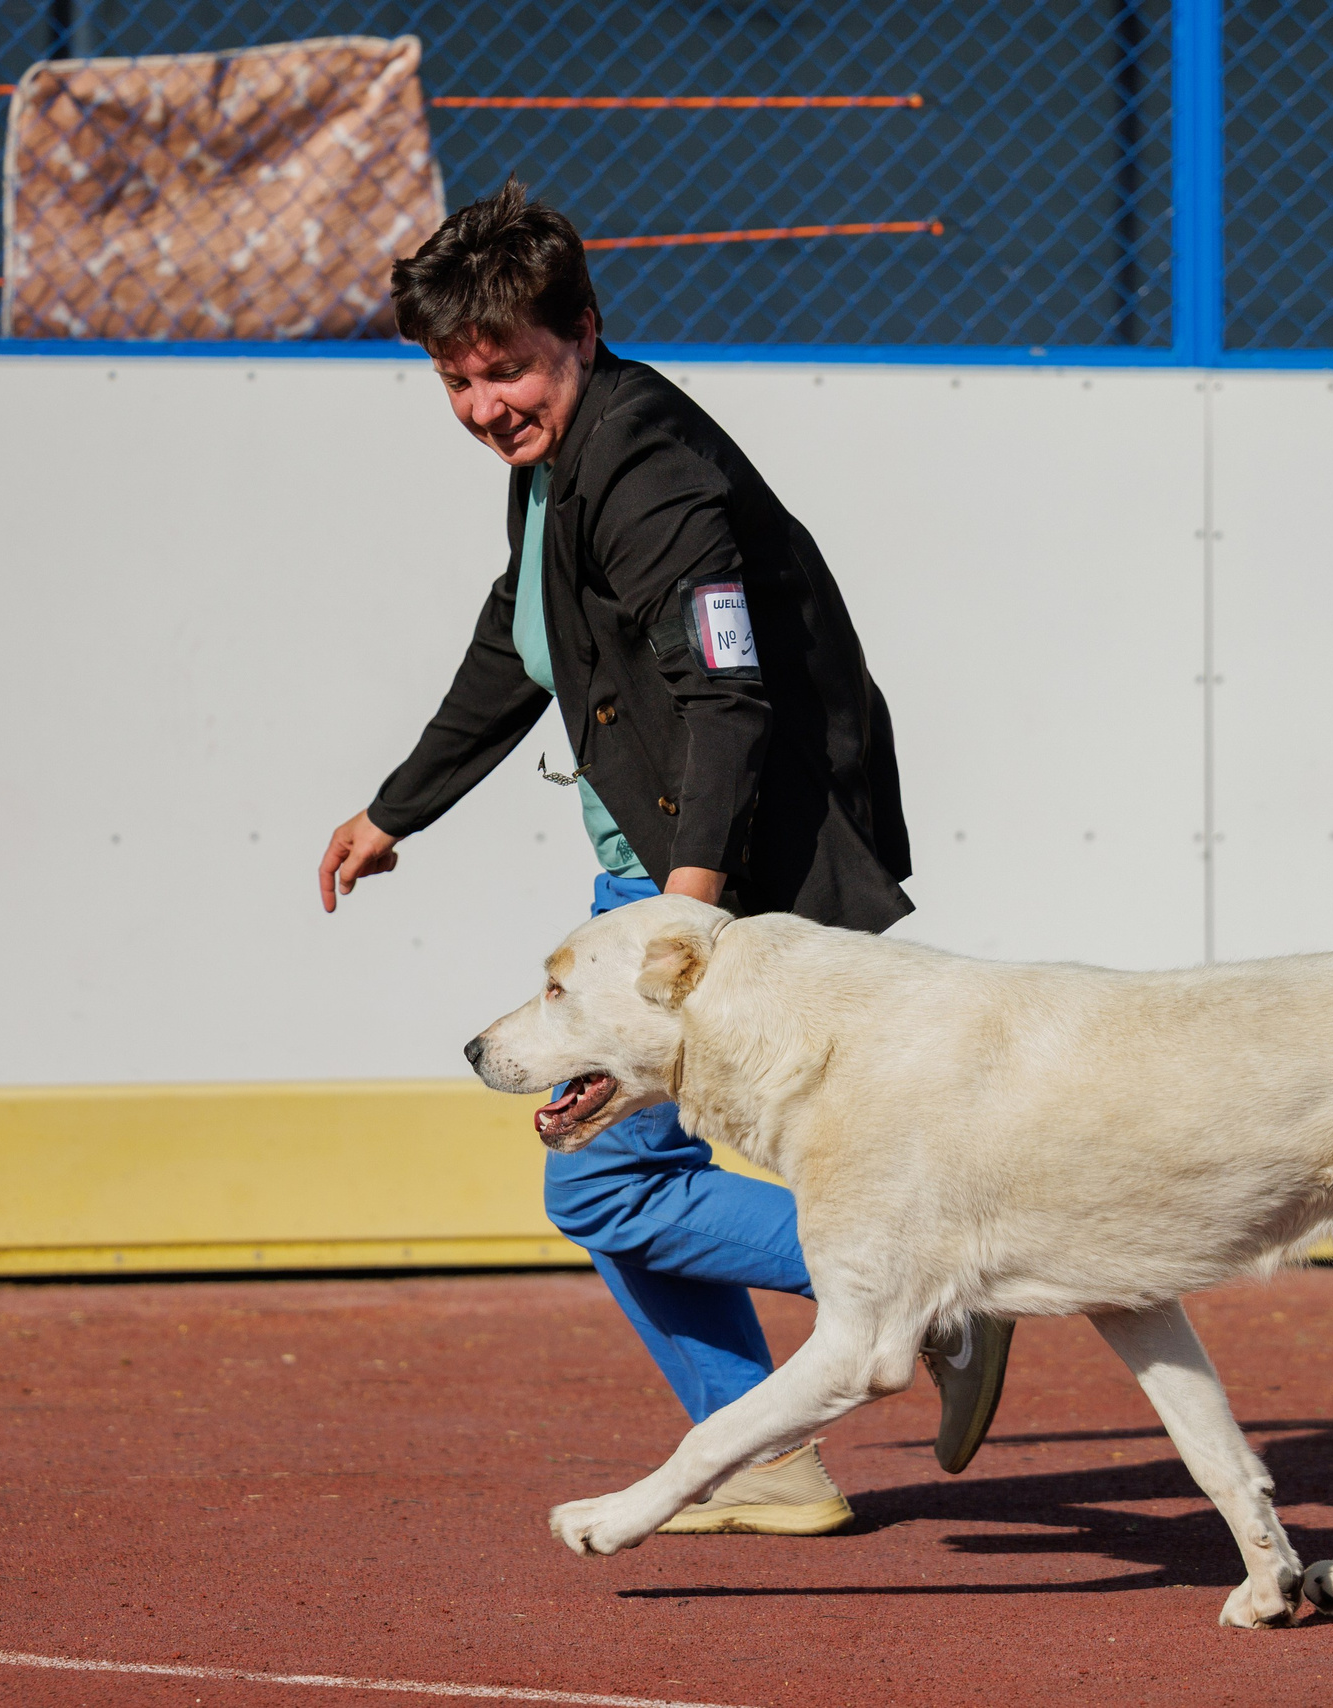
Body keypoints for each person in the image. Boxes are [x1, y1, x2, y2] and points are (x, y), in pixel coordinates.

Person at [316, 179, 1014, 1534]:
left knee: (602, 1174)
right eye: (455, 379)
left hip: (717, 867)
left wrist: (678, 935)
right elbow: (510, 645)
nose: (482, 404)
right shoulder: (551, 468)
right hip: (654, 867)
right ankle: (760, 1454)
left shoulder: (647, 464)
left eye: (505, 367)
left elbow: (727, 697)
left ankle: (925, 1290)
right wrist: (402, 807)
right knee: (618, 1176)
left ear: (583, 326)